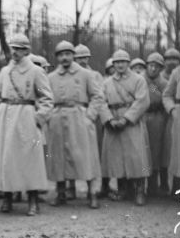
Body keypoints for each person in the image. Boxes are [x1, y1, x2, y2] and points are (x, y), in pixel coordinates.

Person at [0, 34, 54, 216]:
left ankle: (33, 200)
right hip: (5, 117)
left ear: (27, 50)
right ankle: (7, 197)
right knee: (6, 158)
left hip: (26, 116)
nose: (14, 52)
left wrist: (38, 118)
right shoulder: (4, 71)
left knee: (29, 158)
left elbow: (47, 99)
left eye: (19, 48)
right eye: (12, 48)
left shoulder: (36, 71)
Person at [47, 41, 103, 209]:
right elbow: (45, 99)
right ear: (57, 57)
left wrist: (89, 117)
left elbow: (98, 96)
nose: (65, 57)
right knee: (59, 156)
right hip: (58, 118)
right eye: (61, 54)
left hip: (80, 116)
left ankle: (92, 193)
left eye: (68, 54)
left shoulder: (86, 74)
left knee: (86, 156)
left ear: (73, 55)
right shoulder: (51, 77)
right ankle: (61, 192)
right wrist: (50, 116)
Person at [100, 49, 151, 206]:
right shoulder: (107, 82)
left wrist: (126, 119)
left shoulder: (138, 80)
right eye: (117, 62)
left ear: (129, 63)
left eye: (123, 61)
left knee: (137, 157)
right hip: (113, 121)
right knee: (117, 157)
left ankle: (139, 190)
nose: (120, 64)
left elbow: (142, 101)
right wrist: (109, 119)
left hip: (131, 122)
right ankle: (122, 189)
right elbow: (100, 102)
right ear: (113, 64)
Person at [73, 43, 105, 200]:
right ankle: (70, 187)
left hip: (91, 116)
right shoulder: (72, 75)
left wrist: (91, 116)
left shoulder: (96, 75)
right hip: (74, 115)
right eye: (78, 58)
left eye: (85, 57)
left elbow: (99, 96)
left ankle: (92, 188)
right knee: (72, 151)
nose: (82, 61)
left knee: (91, 153)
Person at [144, 52, 169, 197]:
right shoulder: (140, 80)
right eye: (151, 65)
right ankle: (139, 184)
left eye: (157, 66)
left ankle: (154, 185)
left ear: (161, 68)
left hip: (157, 118)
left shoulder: (163, 83)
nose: (153, 69)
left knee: (156, 150)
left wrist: (153, 86)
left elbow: (163, 98)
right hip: (142, 116)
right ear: (147, 65)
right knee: (142, 150)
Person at [162, 64, 180, 193]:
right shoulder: (177, 72)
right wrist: (172, 109)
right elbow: (165, 94)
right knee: (178, 151)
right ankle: (177, 186)